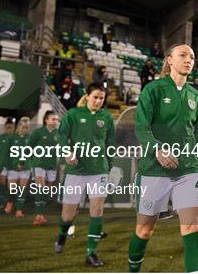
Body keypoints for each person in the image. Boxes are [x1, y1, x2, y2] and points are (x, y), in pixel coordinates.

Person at [129, 44, 198, 273]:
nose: (189, 59)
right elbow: (142, 127)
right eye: (183, 55)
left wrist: (197, 151)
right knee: (144, 231)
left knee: (191, 226)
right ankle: (133, 269)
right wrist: (158, 150)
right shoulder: (153, 90)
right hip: (154, 170)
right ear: (169, 60)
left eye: (192, 56)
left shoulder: (196, 97)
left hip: (187, 171)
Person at [54, 83, 116, 268]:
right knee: (67, 215)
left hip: (99, 171)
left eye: (101, 98)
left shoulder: (107, 117)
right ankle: (61, 236)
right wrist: (67, 152)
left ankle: (91, 253)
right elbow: (61, 136)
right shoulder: (73, 114)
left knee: (96, 211)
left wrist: (108, 166)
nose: (98, 101)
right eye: (95, 97)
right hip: (76, 171)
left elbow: (110, 143)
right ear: (87, 96)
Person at [29, 111, 60, 226]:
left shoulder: (59, 134)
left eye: (57, 119)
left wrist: (61, 162)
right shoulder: (38, 132)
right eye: (53, 119)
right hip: (39, 162)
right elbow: (29, 147)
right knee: (40, 187)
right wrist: (24, 161)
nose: (56, 121)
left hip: (51, 164)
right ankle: (38, 215)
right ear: (46, 120)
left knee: (47, 189)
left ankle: (41, 213)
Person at [3, 117, 32, 217]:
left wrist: (23, 163)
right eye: (23, 127)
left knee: (22, 189)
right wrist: (6, 166)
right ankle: (10, 202)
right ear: (18, 127)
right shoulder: (11, 137)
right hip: (13, 166)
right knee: (12, 188)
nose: (25, 129)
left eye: (27, 127)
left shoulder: (30, 138)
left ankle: (19, 209)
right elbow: (6, 153)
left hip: (26, 166)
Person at [0, 119, 15, 211]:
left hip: (13, 165)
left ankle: (10, 203)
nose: (9, 129)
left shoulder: (17, 138)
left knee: (11, 185)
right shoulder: (0, 138)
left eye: (11, 127)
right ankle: (1, 203)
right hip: (0, 163)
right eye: (7, 127)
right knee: (1, 184)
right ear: (5, 128)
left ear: (14, 128)